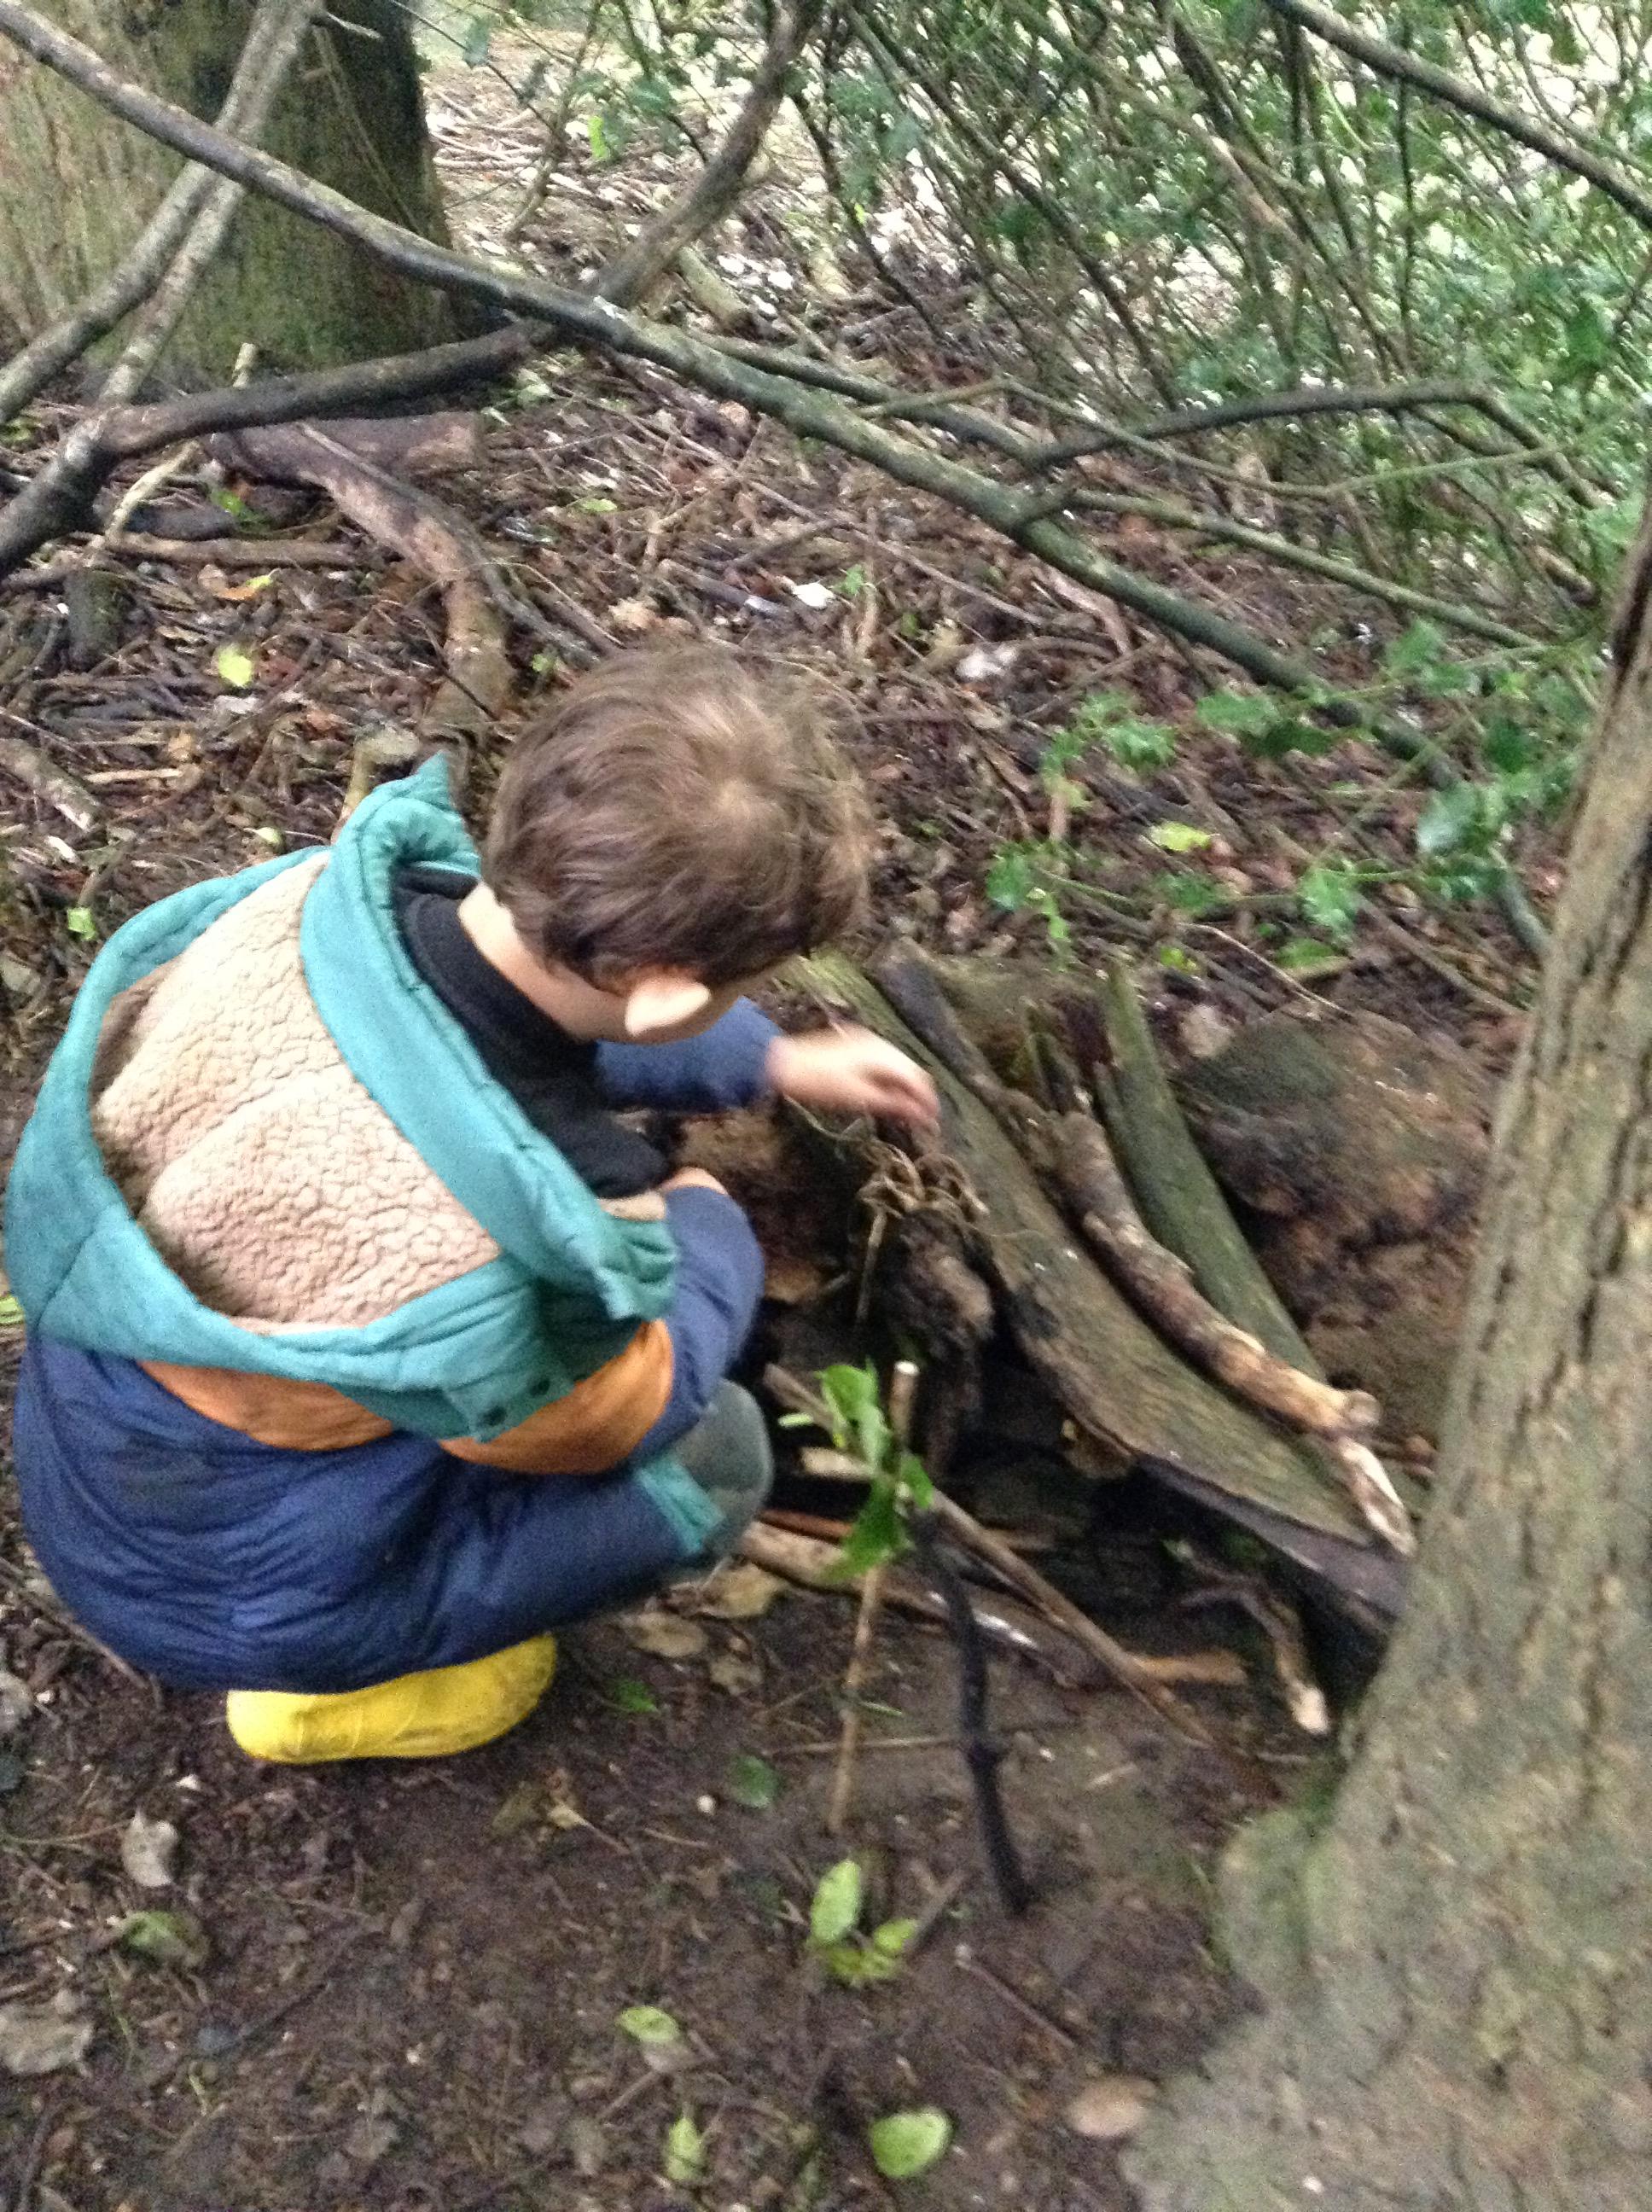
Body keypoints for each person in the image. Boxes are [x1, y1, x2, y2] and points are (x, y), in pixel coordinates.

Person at [3, 647, 937, 1764]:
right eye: (742, 991)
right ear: (666, 992)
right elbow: (616, 1417)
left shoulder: (307, 915)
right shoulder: (487, 1257)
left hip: (90, 1445)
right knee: (721, 1456)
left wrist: (769, 1059)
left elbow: (511, 1016)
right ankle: (321, 1702)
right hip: (234, 1596)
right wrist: (708, 1232)